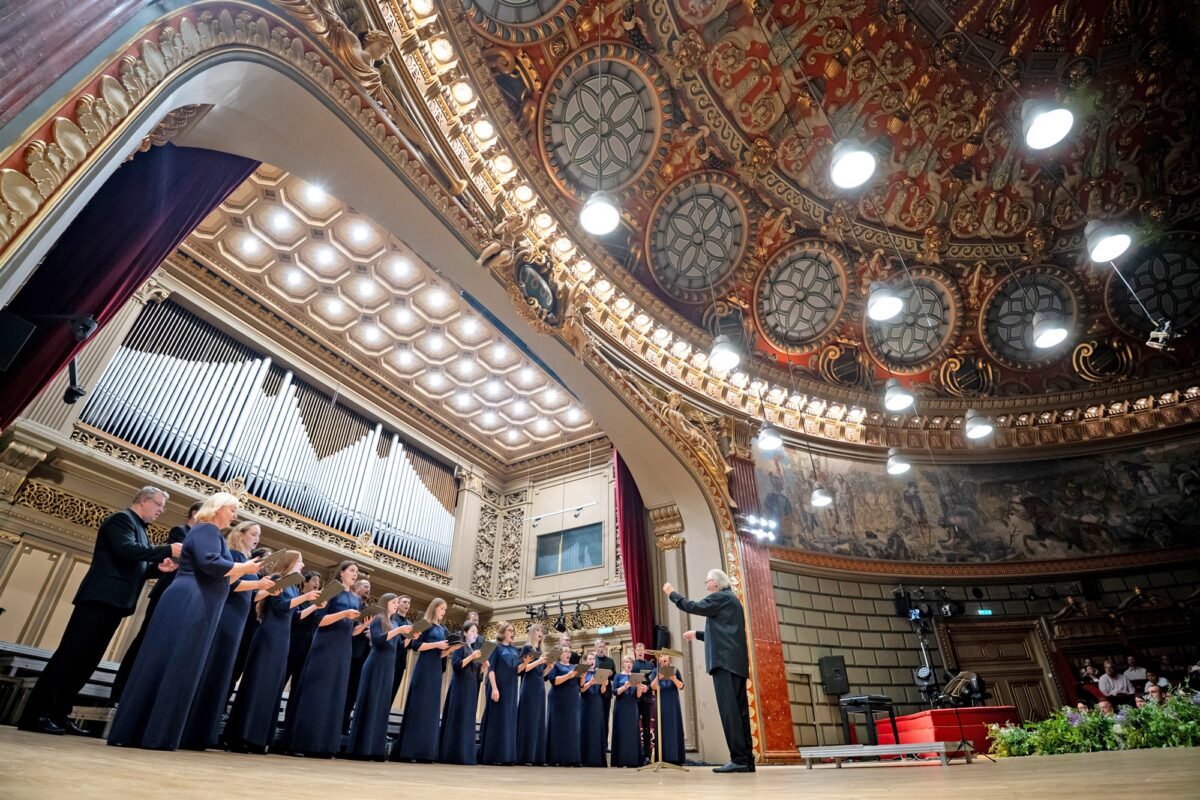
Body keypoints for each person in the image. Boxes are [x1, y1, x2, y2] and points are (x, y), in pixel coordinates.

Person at [107, 492, 262, 750]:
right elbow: (210, 563)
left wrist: (245, 573)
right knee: (175, 661)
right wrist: (244, 568)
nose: (235, 516)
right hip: (191, 601)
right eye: (232, 510)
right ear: (216, 508)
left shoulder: (213, 534)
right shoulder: (206, 530)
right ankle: (153, 731)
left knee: (181, 663)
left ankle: (154, 730)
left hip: (200, 602)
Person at [20, 487, 180, 735]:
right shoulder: (121, 520)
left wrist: (159, 569)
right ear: (145, 501)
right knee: (70, 657)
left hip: (115, 603)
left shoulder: (140, 530)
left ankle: (59, 715)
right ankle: (36, 714)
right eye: (159, 505)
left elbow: (136, 566)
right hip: (99, 600)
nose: (161, 511)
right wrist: (169, 549)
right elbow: (126, 551)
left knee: (87, 662)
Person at [180, 521, 270, 750]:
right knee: (213, 666)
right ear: (240, 534)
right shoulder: (233, 557)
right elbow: (229, 584)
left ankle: (204, 732)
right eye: (254, 533)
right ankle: (190, 729)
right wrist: (257, 582)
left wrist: (263, 589)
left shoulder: (247, 562)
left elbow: (248, 592)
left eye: (259, 535)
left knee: (223, 671)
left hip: (239, 618)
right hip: (227, 615)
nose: (257, 538)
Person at [224, 550, 318, 753]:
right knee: (258, 682)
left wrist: (314, 605)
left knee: (271, 686)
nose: (302, 565)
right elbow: (279, 606)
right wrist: (306, 598)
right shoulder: (277, 578)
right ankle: (241, 736)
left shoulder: (293, 586)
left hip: (283, 637)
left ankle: (259, 737)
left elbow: (294, 616)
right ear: (290, 562)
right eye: (300, 561)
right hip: (269, 634)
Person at [110, 500, 200, 703]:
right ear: (195, 514)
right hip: (167, 593)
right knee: (144, 640)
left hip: (184, 599)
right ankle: (119, 694)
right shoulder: (181, 532)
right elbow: (186, 559)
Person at [665, 571, 754, 773]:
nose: (706, 585)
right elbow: (723, 634)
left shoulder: (720, 597)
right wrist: (696, 634)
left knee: (730, 713)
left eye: (707, 582)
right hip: (735, 663)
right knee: (739, 713)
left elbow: (694, 607)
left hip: (724, 663)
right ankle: (746, 760)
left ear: (715, 583)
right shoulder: (732, 600)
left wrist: (672, 594)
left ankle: (738, 759)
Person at [277, 560, 363, 757]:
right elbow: (318, 620)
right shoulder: (332, 591)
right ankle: (302, 742)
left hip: (343, 649)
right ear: (341, 573)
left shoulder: (356, 599)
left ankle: (324, 745)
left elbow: (350, 630)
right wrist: (343, 614)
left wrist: (361, 626)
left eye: (357, 572)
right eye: (352, 570)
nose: (355, 574)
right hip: (325, 646)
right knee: (317, 693)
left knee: (335, 694)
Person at [348, 593, 411, 760]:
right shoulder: (378, 619)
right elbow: (377, 640)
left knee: (382, 705)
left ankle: (375, 749)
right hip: (376, 664)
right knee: (371, 703)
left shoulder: (395, 622)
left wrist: (411, 638)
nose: (396, 605)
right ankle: (361, 748)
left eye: (397, 602)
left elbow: (397, 645)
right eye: (394, 602)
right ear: (385, 603)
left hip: (388, 667)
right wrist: (397, 630)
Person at [394, 597, 451, 762]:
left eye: (445, 610)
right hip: (424, 667)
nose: (443, 612)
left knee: (431, 710)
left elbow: (441, 653)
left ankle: (426, 752)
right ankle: (411, 751)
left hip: (435, 669)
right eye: (441, 609)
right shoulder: (425, 624)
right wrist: (436, 645)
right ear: (434, 609)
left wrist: (449, 650)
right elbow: (415, 646)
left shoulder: (444, 629)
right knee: (419, 706)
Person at [437, 621, 482, 764]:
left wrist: (483, 666)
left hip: (471, 687)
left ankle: (465, 755)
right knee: (458, 718)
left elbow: (476, 674)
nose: (475, 634)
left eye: (476, 632)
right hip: (460, 687)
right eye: (472, 631)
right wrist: (472, 658)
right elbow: (457, 666)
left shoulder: (474, 649)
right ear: (465, 633)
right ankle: (454, 754)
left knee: (467, 719)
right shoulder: (460, 647)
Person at [480, 621, 521, 765]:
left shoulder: (516, 650)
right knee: (497, 720)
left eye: (513, 631)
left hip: (511, 689)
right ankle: (494, 756)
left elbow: (516, 670)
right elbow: (491, 670)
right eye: (510, 630)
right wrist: (495, 688)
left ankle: (506, 756)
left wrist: (526, 663)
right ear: (503, 632)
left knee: (508, 721)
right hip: (498, 687)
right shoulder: (496, 648)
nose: (512, 633)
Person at [342, 576, 373, 733]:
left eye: (370, 588)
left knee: (353, 691)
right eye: (365, 586)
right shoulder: (351, 602)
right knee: (343, 688)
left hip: (362, 654)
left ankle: (345, 723)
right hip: (348, 650)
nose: (368, 589)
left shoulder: (369, 609)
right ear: (356, 587)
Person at [515, 623, 549, 765]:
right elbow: (524, 669)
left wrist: (549, 667)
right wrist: (539, 661)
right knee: (529, 719)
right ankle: (526, 756)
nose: (540, 633)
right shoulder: (527, 648)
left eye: (541, 631)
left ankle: (537, 757)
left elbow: (541, 674)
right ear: (532, 633)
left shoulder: (540, 650)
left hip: (539, 686)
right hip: (529, 687)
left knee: (538, 720)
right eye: (537, 631)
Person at [283, 570, 322, 691]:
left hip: (308, 645)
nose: (318, 583)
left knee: (298, 683)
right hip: (294, 643)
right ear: (305, 582)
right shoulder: (297, 596)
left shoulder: (317, 603)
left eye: (319, 582)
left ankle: (290, 710)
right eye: (315, 580)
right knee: (283, 676)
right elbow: (295, 618)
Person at [546, 646, 581, 766]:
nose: (568, 654)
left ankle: (571, 758)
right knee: (559, 728)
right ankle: (556, 758)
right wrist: (568, 676)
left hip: (573, 700)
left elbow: (580, 685)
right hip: (558, 699)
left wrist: (581, 676)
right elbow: (553, 681)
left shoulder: (574, 667)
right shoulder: (555, 665)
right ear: (560, 654)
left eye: (569, 652)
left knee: (572, 728)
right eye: (565, 651)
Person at [649, 653, 685, 766]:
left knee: (674, 727)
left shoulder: (675, 670)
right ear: (659, 659)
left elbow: (681, 686)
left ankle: (675, 757)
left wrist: (673, 678)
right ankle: (662, 757)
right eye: (661, 656)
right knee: (661, 726)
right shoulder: (655, 670)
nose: (663, 658)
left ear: (669, 659)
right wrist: (657, 678)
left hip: (673, 702)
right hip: (661, 701)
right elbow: (652, 687)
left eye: (665, 656)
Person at [610, 655, 646, 767]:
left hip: (632, 707)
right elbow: (615, 692)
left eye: (630, 661)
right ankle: (620, 761)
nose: (629, 663)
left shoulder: (636, 676)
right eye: (626, 661)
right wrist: (625, 687)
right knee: (621, 732)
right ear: (623, 664)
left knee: (632, 733)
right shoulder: (618, 676)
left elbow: (638, 696)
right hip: (621, 707)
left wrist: (640, 688)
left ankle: (633, 760)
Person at [579, 652, 609, 767]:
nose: (592, 661)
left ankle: (597, 759)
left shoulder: (599, 672)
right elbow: (581, 690)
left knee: (597, 729)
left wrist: (604, 685)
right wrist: (589, 684)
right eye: (590, 659)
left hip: (597, 702)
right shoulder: (583, 672)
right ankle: (585, 759)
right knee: (586, 729)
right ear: (586, 661)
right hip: (586, 703)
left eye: (593, 659)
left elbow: (602, 692)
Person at [631, 641, 656, 764]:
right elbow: (629, 679)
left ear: (644, 651)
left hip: (646, 698)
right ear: (635, 651)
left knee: (646, 727)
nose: (640, 651)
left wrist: (648, 688)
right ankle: (635, 754)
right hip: (635, 698)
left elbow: (653, 682)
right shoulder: (633, 664)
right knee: (634, 726)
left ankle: (647, 755)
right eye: (638, 649)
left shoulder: (650, 665)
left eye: (642, 649)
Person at [389, 595, 414, 704]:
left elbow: (410, 646)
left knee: (393, 691)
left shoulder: (409, 624)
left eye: (408, 603)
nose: (407, 605)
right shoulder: (392, 618)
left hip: (401, 661)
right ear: (398, 604)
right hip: (389, 658)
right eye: (404, 602)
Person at [593, 638, 616, 745]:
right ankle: (596, 743)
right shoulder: (593, 660)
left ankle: (605, 744)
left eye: (603, 647)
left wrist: (611, 673)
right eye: (599, 647)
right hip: (594, 693)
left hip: (606, 693)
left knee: (605, 718)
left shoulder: (610, 661)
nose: (602, 649)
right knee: (596, 718)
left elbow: (615, 676)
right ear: (596, 648)